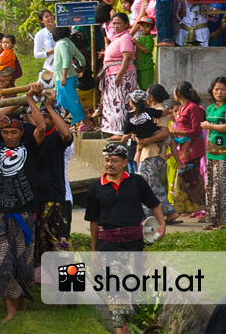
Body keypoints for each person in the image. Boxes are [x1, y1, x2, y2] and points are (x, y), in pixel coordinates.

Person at [0, 83, 45, 322]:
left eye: (14, 132)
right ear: (1, 134)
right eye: (6, 132)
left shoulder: (29, 147)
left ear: (21, 132)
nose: (10, 136)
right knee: (0, 259)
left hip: (23, 213)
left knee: (24, 263)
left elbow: (42, 127)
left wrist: (30, 100)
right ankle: (9, 308)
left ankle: (22, 299)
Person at [85, 143, 165, 334]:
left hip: (134, 247)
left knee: (130, 292)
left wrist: (162, 224)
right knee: (116, 296)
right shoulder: (96, 188)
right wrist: (94, 252)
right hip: (108, 248)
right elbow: (94, 222)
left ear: (123, 162)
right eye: (106, 160)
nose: (109, 164)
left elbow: (154, 204)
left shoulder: (136, 182)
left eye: (114, 161)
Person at [32, 92, 74, 281]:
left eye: (49, 117)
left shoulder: (58, 139)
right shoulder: (29, 136)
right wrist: (29, 100)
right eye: (43, 116)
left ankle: (72, 285)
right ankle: (48, 286)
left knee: (61, 243)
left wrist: (49, 106)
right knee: (40, 245)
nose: (45, 119)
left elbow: (66, 133)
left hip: (55, 198)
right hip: (34, 199)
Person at [122, 91, 179, 223]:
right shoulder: (152, 112)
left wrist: (144, 139)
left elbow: (164, 133)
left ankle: (148, 215)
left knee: (145, 183)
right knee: (151, 182)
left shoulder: (151, 111)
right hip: (147, 151)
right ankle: (169, 212)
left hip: (154, 151)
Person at [170, 81, 207, 215]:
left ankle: (202, 207)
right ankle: (186, 208)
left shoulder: (193, 108)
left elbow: (196, 131)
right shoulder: (181, 108)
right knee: (184, 179)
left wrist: (179, 133)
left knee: (192, 179)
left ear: (178, 93)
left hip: (193, 148)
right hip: (184, 147)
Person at [100, 12, 138, 137]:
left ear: (126, 24)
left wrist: (120, 75)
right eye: (114, 23)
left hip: (121, 74)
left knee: (121, 102)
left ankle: (121, 131)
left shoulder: (126, 38)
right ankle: (115, 130)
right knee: (113, 102)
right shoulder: (117, 37)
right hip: (112, 73)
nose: (115, 26)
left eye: (118, 23)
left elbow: (126, 58)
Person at [52, 26, 90, 128]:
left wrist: (63, 76)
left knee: (69, 100)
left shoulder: (61, 44)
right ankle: (67, 124)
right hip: (70, 76)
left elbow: (66, 59)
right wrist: (81, 68)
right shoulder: (69, 42)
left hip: (64, 78)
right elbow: (81, 58)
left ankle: (86, 123)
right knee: (65, 100)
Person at [202, 77, 226, 229]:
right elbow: (208, 130)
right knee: (211, 185)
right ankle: (213, 219)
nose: (219, 92)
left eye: (222, 89)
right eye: (216, 89)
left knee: (222, 185)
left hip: (223, 152)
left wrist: (209, 125)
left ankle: (224, 221)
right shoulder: (210, 108)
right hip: (211, 152)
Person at [33, 10, 56, 75]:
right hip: (51, 67)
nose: (50, 18)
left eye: (51, 15)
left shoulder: (61, 29)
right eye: (46, 16)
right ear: (41, 21)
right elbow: (36, 54)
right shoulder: (40, 34)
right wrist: (49, 52)